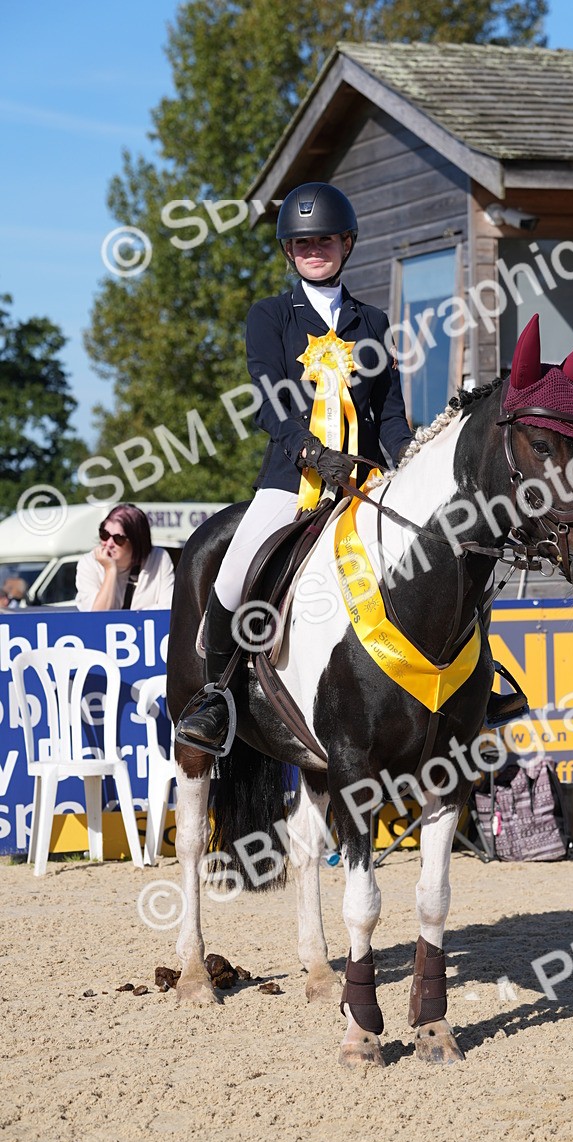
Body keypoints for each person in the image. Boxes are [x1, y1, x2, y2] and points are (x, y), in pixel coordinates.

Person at [177, 182, 414, 753]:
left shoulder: (373, 321)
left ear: (346, 244)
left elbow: (390, 413)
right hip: (294, 478)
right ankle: (216, 697)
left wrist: (408, 465)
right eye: (303, 243)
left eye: (325, 240)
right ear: (289, 250)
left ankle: (475, 682)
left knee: (440, 546)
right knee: (232, 575)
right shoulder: (272, 316)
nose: (314, 250)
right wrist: (311, 452)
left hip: (364, 480)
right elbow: (270, 402)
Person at [75, 503, 174, 612]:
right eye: (104, 535)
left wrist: (130, 617)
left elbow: (168, 610)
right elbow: (95, 616)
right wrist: (110, 569)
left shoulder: (159, 558)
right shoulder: (88, 563)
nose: (109, 544)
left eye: (119, 539)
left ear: (137, 541)